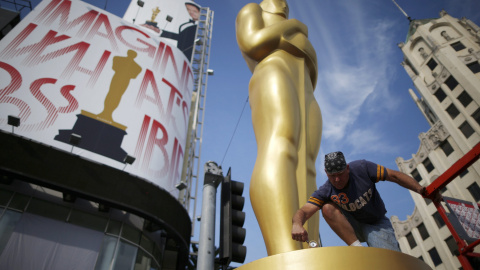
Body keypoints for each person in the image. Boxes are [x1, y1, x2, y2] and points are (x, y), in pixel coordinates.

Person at [236, 0, 322, 256]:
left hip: (305, 88)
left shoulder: (288, 24)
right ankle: (284, 249)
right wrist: (292, 27)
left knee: (307, 163)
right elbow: (252, 42)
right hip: (274, 71)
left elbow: (312, 67)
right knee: (280, 145)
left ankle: (312, 246)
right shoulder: (253, 11)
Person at [292, 151, 431, 251]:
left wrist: (420, 189)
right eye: (332, 176)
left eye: (340, 174)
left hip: (375, 223)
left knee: (388, 262)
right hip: (351, 226)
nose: (337, 180)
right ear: (326, 173)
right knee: (327, 208)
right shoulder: (326, 190)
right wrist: (297, 224)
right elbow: (304, 211)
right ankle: (357, 249)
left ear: (347, 168)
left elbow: (394, 176)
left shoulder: (362, 168)